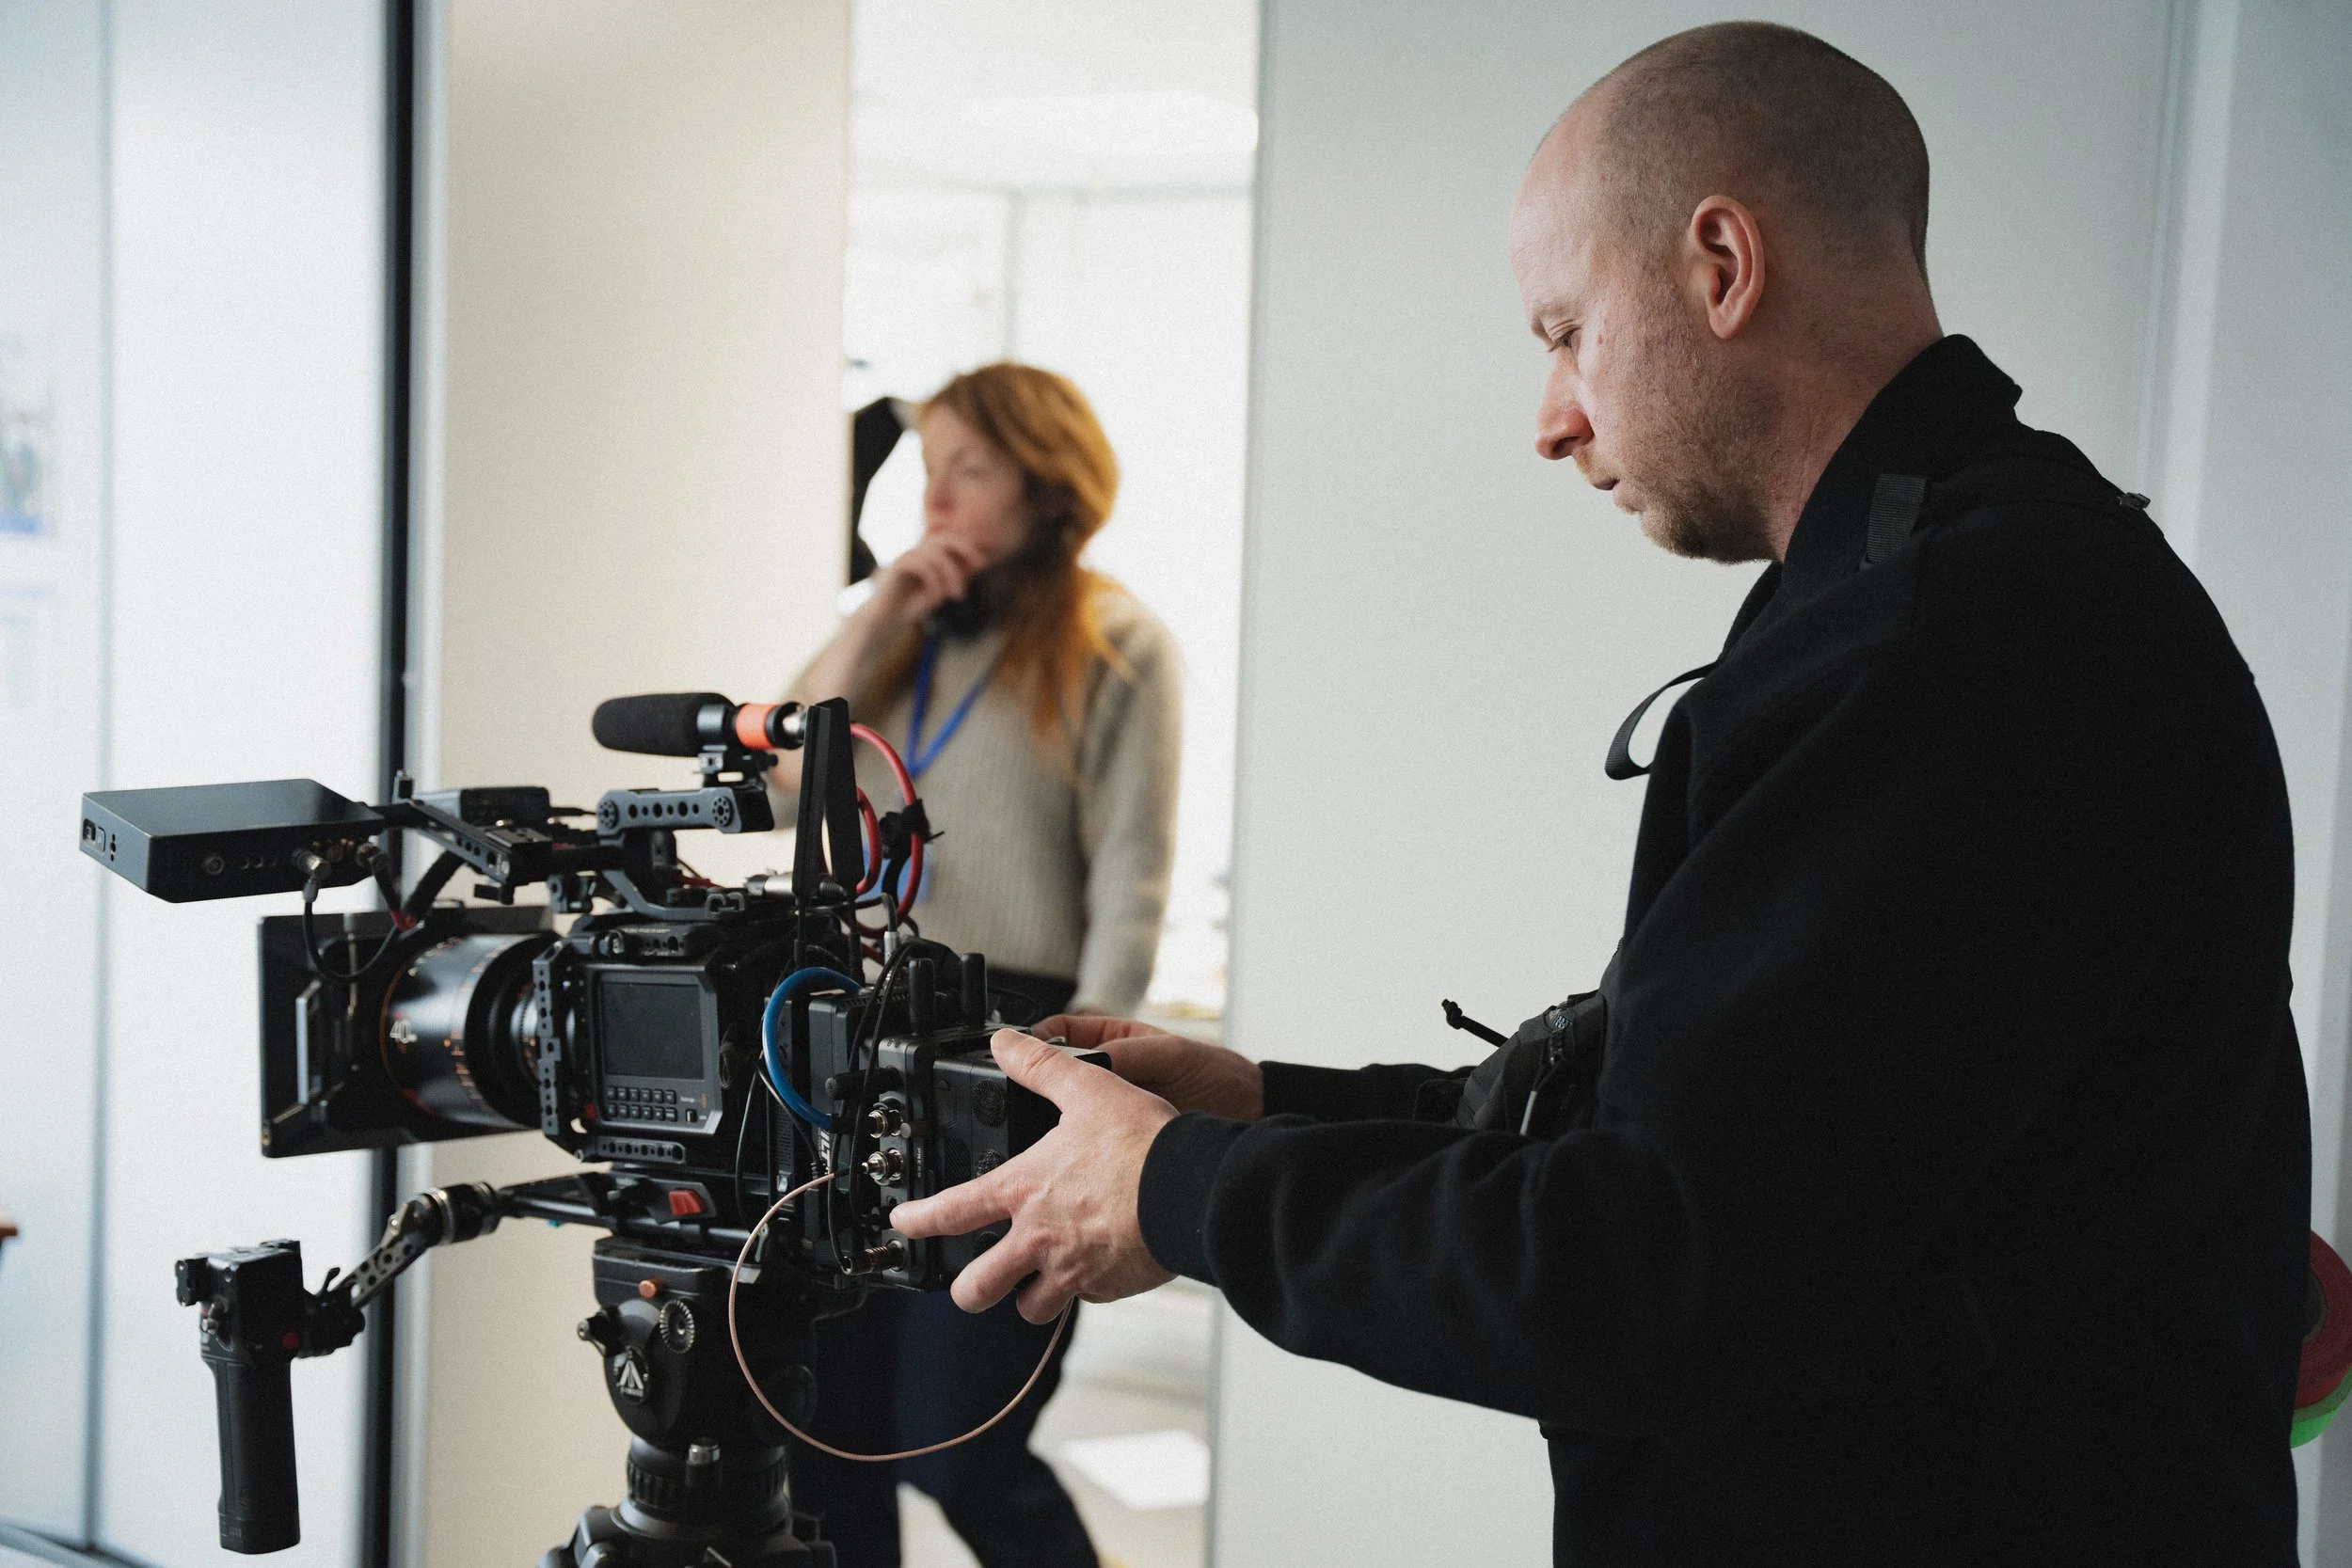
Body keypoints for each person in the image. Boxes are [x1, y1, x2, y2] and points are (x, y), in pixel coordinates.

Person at [891, 23, 2313, 1566]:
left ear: (1719, 264)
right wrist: (1266, 1105)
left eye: (1566, 330)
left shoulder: (1957, 633)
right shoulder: (1935, 584)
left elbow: (1647, 1263)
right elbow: (1704, 1117)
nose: (1552, 417)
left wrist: (1185, 1190)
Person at [774, 361, 1180, 1568]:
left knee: (959, 1444)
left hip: (1014, 1048)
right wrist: (879, 613)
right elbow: (790, 769)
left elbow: (1133, 868)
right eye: (926, 468)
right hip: (850, 1042)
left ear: (1045, 481)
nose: (934, 498)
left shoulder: (1116, 638)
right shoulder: (907, 633)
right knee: (823, 1432)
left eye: (969, 468)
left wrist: (1091, 1076)